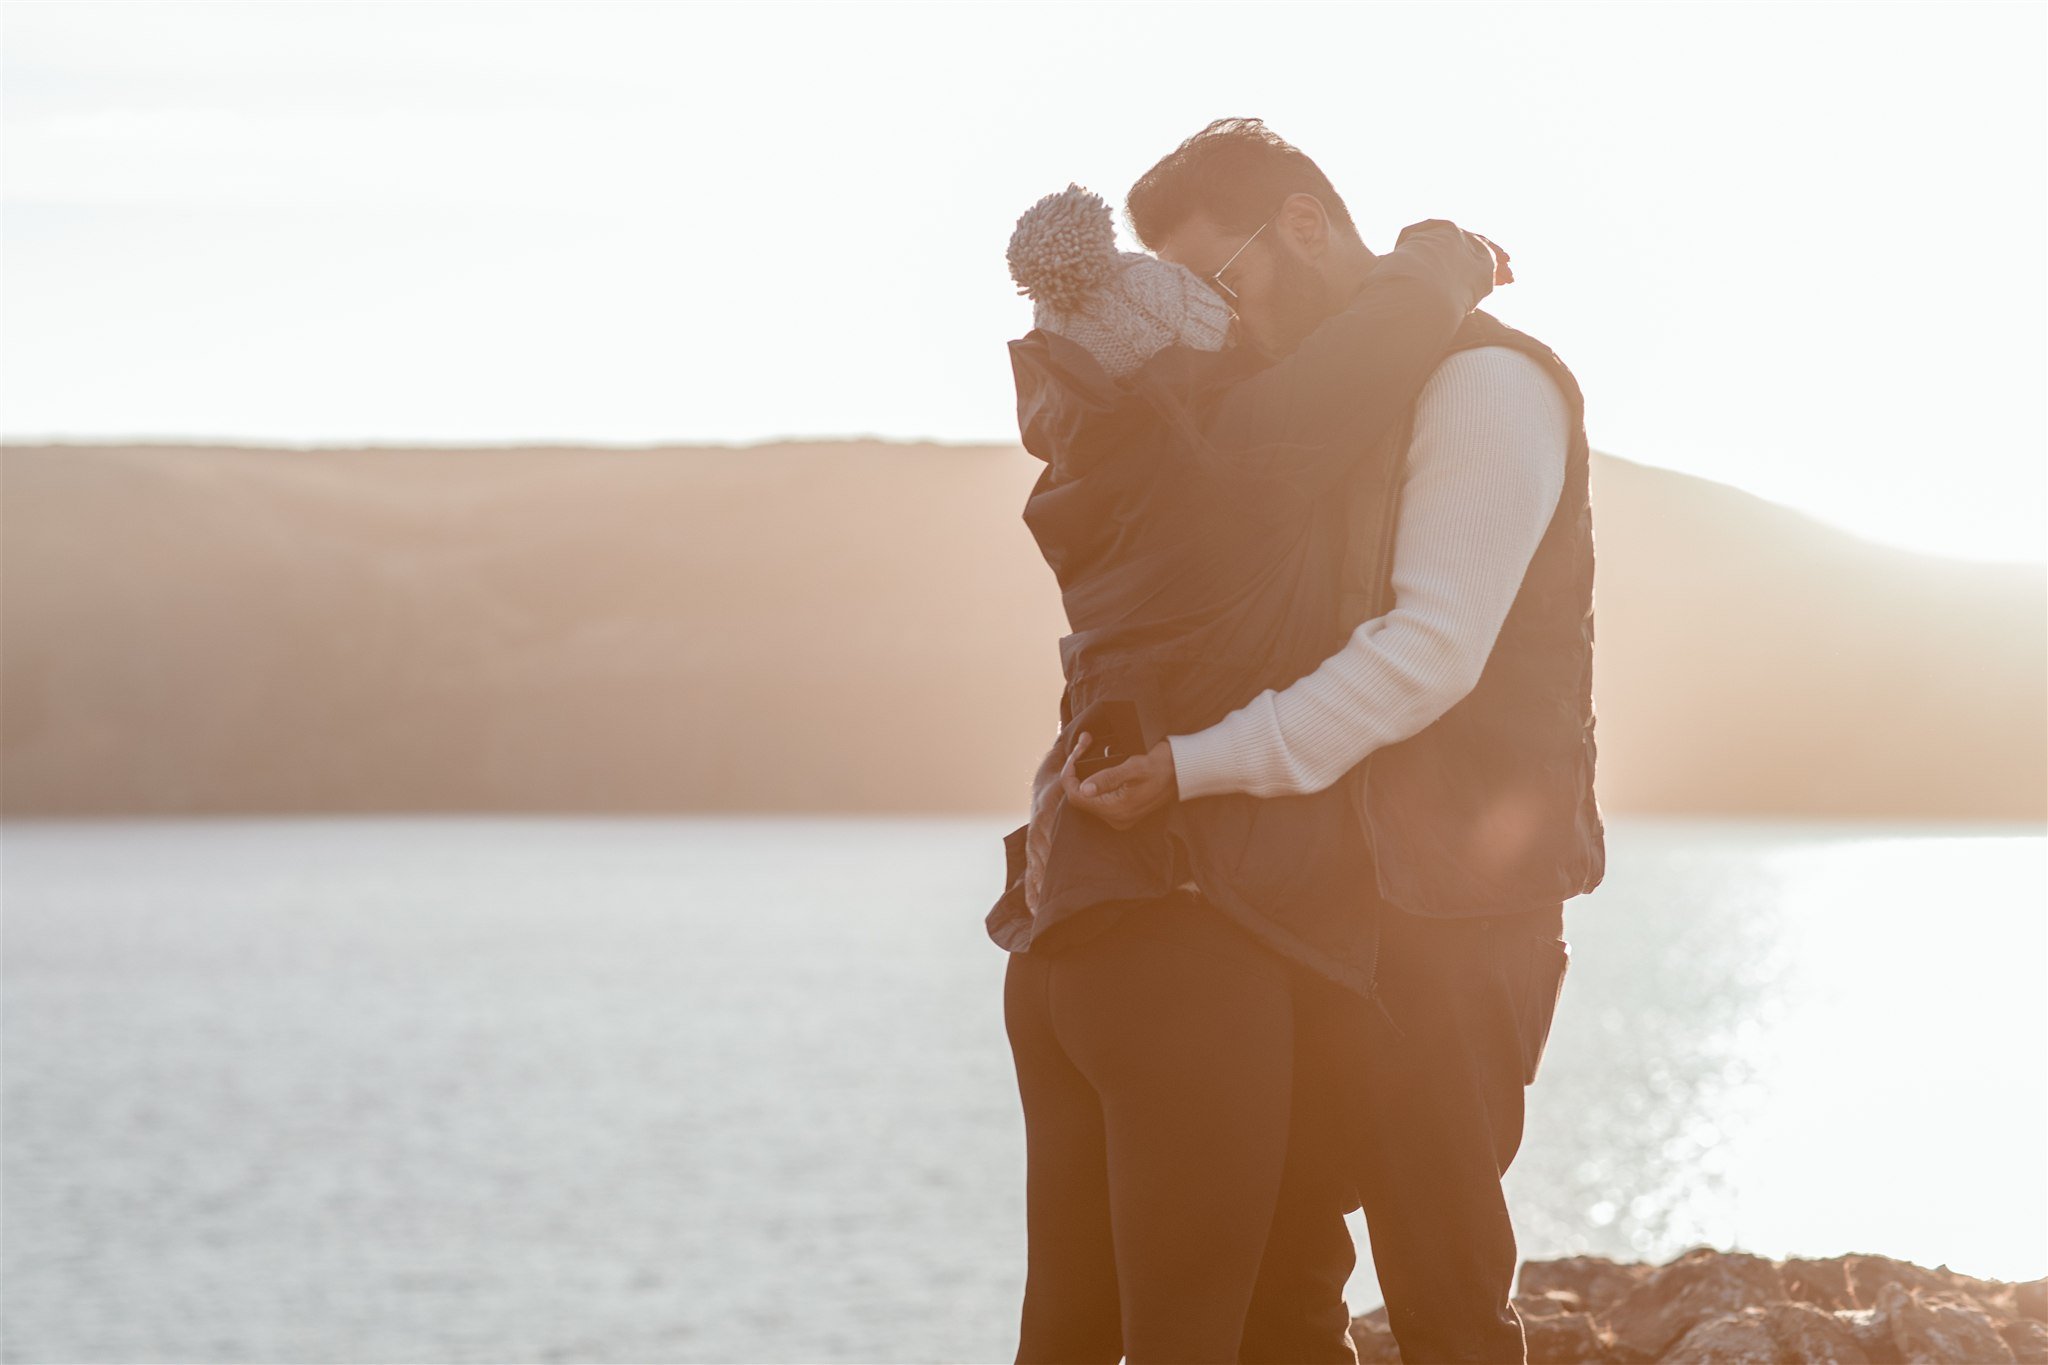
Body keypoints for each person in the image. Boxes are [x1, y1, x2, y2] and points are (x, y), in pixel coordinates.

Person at [1037, 119, 1604, 1365]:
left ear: (1299, 222)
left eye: (1216, 281)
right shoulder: (1325, 397)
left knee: (1443, 1270)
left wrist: (1194, 765)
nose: (1215, 318)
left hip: (1454, 906)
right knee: (1279, 1268)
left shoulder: (1482, 383)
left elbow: (1430, 654)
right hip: (1304, 894)